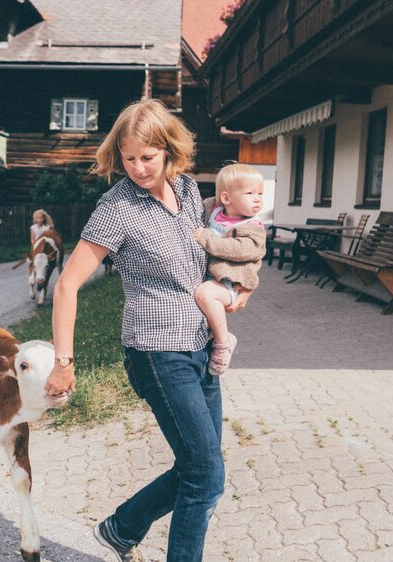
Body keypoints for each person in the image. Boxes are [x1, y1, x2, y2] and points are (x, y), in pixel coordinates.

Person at [44, 98, 249, 562]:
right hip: (158, 354)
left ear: (170, 151)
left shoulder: (190, 190)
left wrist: (234, 286)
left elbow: (211, 251)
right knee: (206, 476)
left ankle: (123, 529)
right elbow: (67, 285)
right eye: (129, 158)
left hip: (202, 346)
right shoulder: (117, 208)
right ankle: (131, 531)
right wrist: (63, 361)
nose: (137, 168)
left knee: (202, 468)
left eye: (147, 157)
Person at [193, 163, 266, 375]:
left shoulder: (253, 227)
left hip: (231, 283)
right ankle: (214, 336)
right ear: (225, 199)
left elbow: (241, 249)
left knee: (205, 294)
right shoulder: (212, 209)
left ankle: (223, 342)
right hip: (212, 276)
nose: (257, 198)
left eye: (260, 193)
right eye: (250, 193)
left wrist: (206, 238)